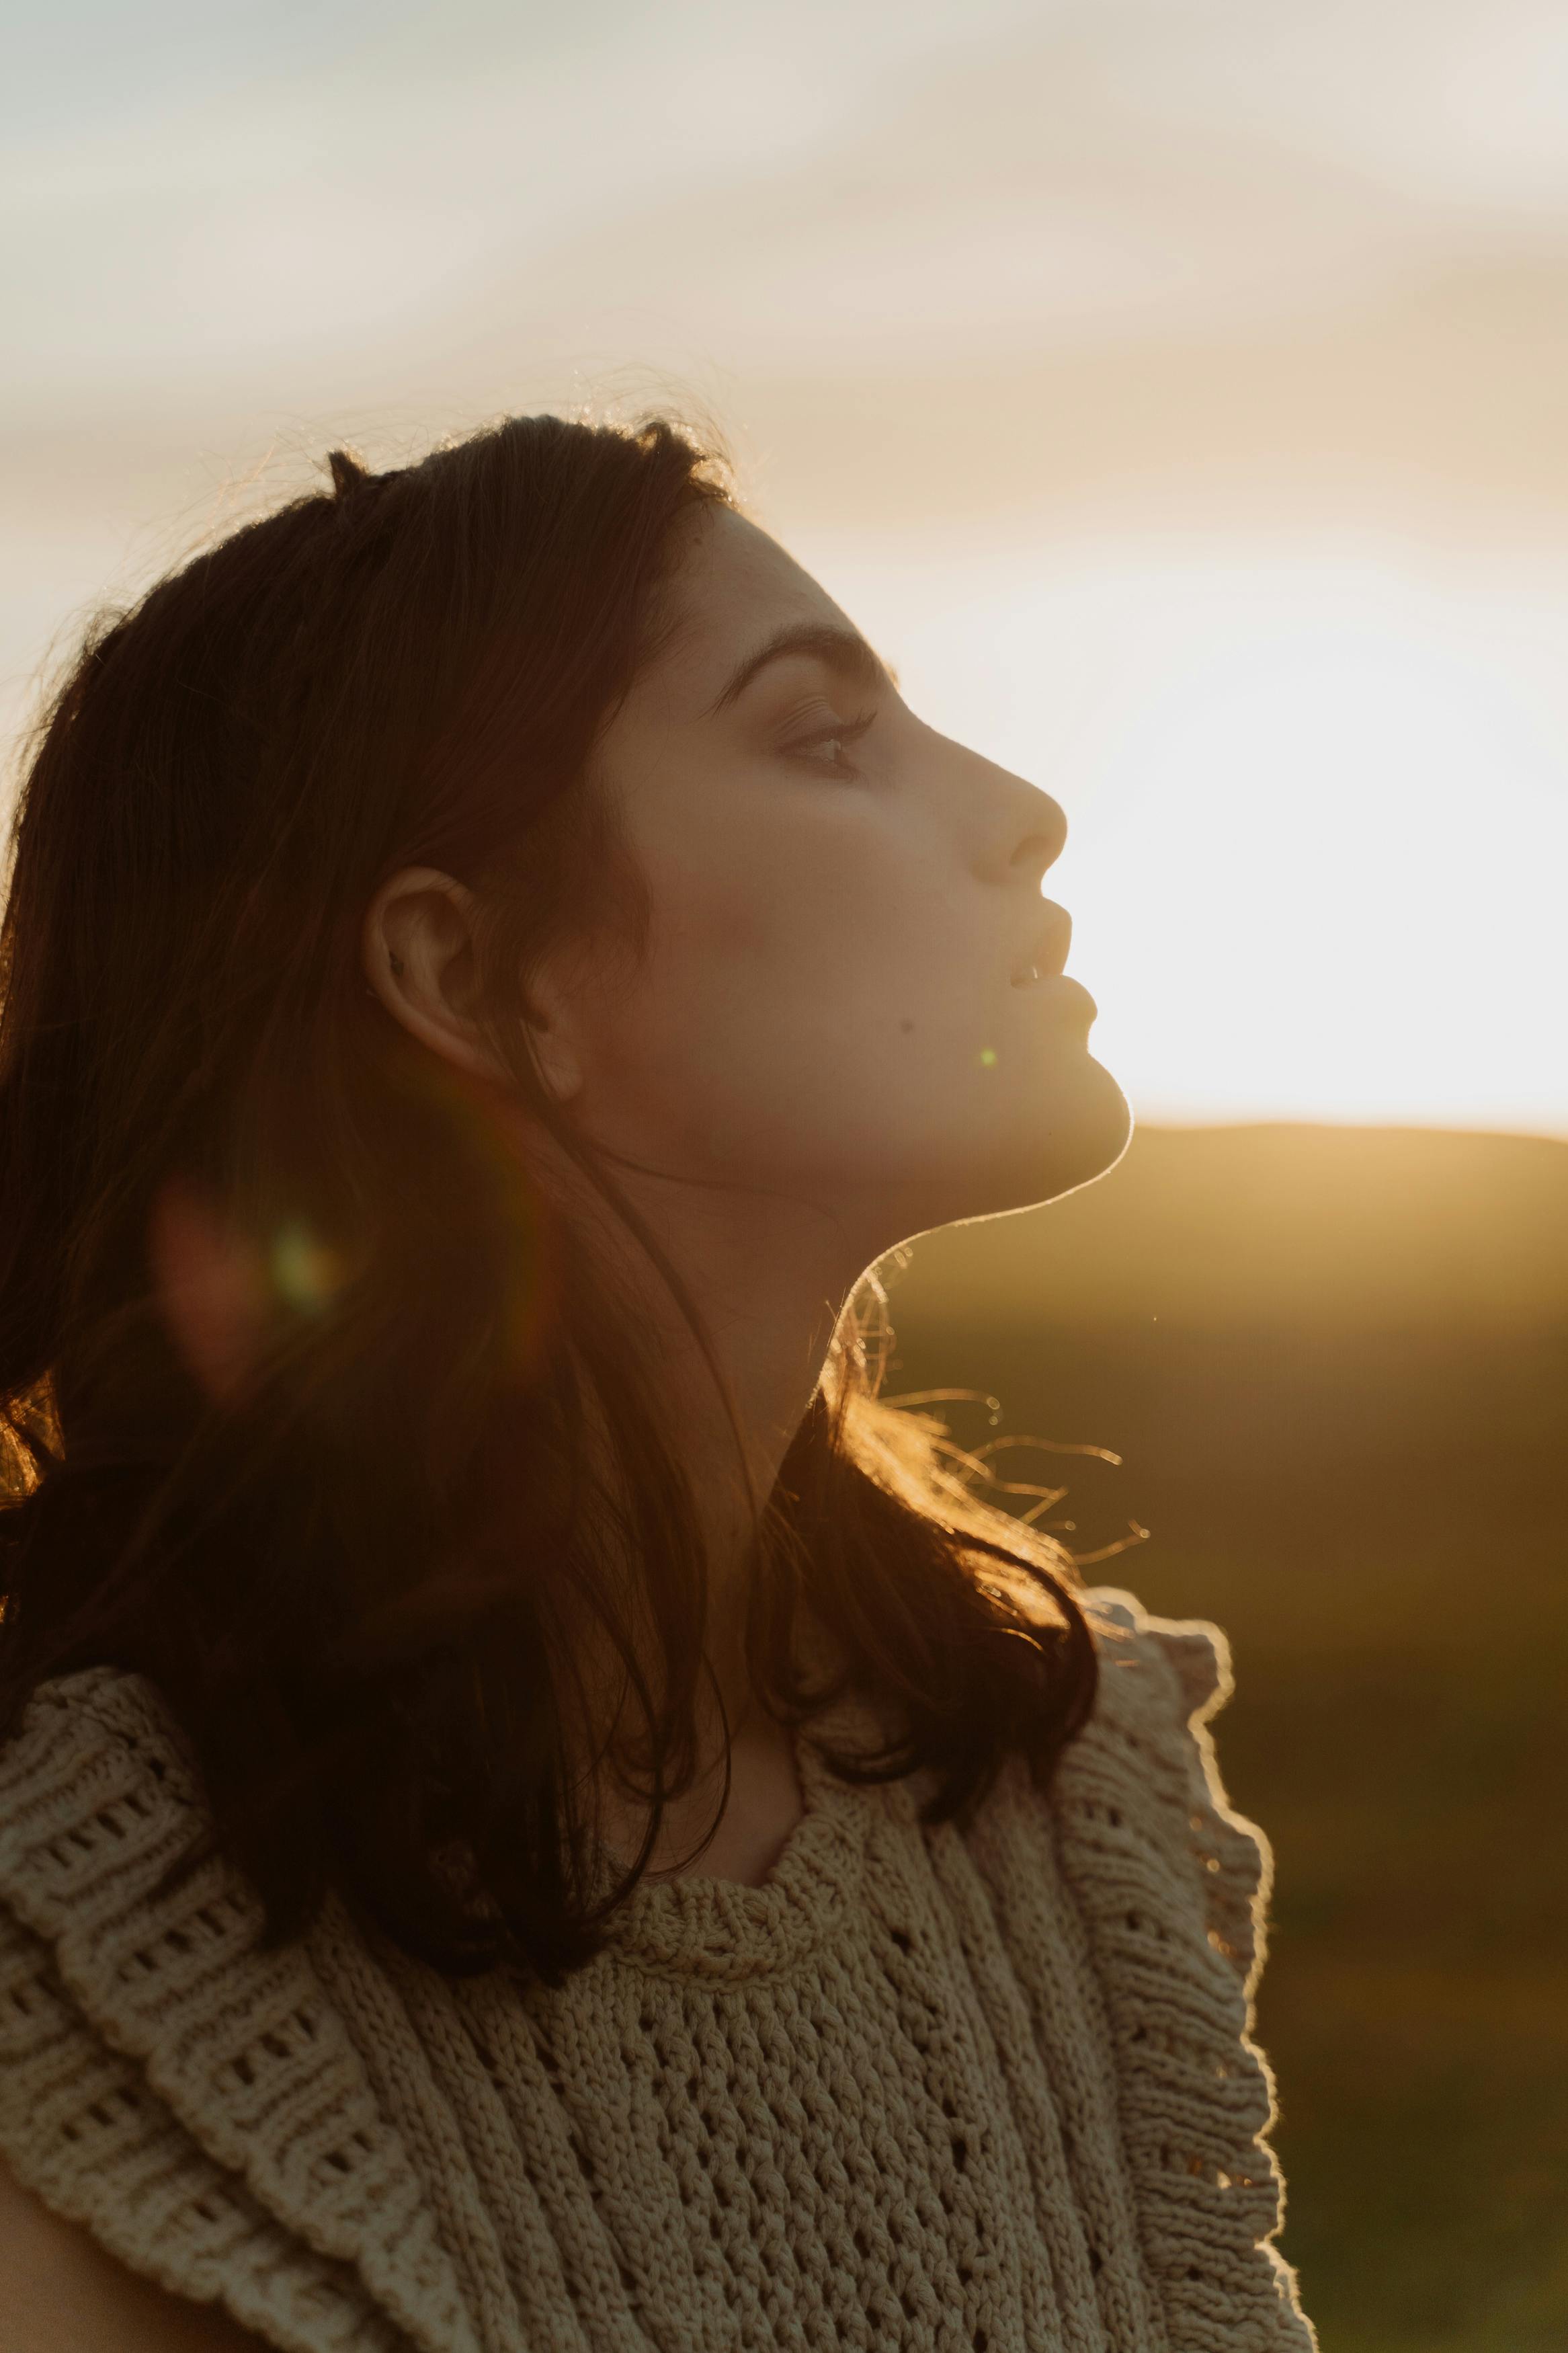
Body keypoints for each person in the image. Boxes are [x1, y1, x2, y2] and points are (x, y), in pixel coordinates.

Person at [0, 412, 1317, 2352]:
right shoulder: (83, 1949)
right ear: (472, 977)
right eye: (819, 734)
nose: (1021, 805)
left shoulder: (1070, 1778)